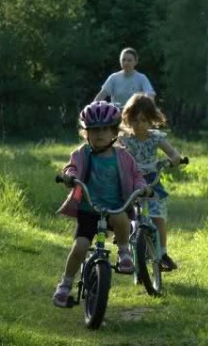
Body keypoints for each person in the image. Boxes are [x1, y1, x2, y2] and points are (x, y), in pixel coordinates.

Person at [52, 101, 153, 308]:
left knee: (121, 218)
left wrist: (142, 187)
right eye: (94, 130)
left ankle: (124, 252)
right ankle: (65, 284)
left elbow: (136, 176)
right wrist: (70, 176)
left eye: (104, 129)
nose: (99, 134)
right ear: (86, 132)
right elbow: (71, 167)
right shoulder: (82, 154)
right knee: (80, 246)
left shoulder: (123, 157)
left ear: (114, 131)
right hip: (89, 210)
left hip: (115, 207)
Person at [119, 93, 183, 271]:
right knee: (122, 213)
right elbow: (114, 152)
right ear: (127, 119)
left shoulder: (156, 137)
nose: (139, 125)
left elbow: (173, 154)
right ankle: (123, 240)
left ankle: (162, 253)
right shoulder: (124, 138)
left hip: (152, 183)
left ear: (152, 120)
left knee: (158, 218)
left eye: (144, 120)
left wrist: (174, 160)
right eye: (135, 120)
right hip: (130, 182)